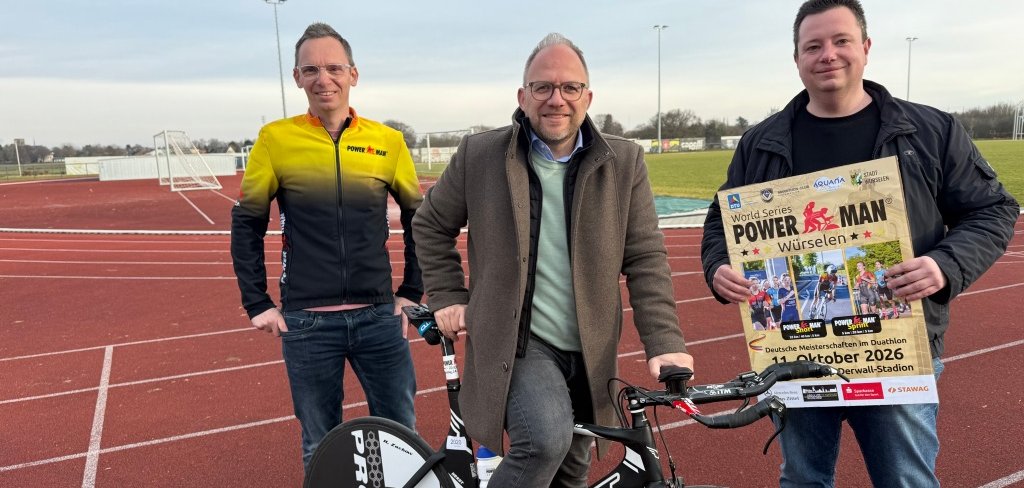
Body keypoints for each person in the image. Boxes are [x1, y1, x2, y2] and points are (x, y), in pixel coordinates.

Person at [699, 1, 1018, 486]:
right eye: (813, 46)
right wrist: (719, 266)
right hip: (794, 356)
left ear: (866, 48)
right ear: (797, 58)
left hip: (895, 349)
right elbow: (720, 223)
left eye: (841, 41)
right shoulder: (760, 142)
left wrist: (944, 265)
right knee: (803, 479)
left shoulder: (930, 131)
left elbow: (993, 210)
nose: (828, 54)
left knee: (905, 480)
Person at [412, 33, 693, 487]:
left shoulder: (624, 161)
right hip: (520, 342)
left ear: (588, 97)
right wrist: (446, 294)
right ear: (522, 97)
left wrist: (663, 340)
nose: (556, 99)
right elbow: (429, 223)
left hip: (589, 347)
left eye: (569, 87)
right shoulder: (480, 155)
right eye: (542, 87)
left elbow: (645, 256)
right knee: (544, 439)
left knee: (571, 471)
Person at [230, 22, 422, 471]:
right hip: (306, 323)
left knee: (401, 437)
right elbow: (247, 222)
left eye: (334, 68)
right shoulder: (275, 140)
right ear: (297, 77)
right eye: (311, 69)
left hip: (379, 317)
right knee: (320, 444)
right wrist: (256, 302)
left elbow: (419, 218)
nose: (324, 79)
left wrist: (412, 290)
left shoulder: (387, 141)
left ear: (353, 74)